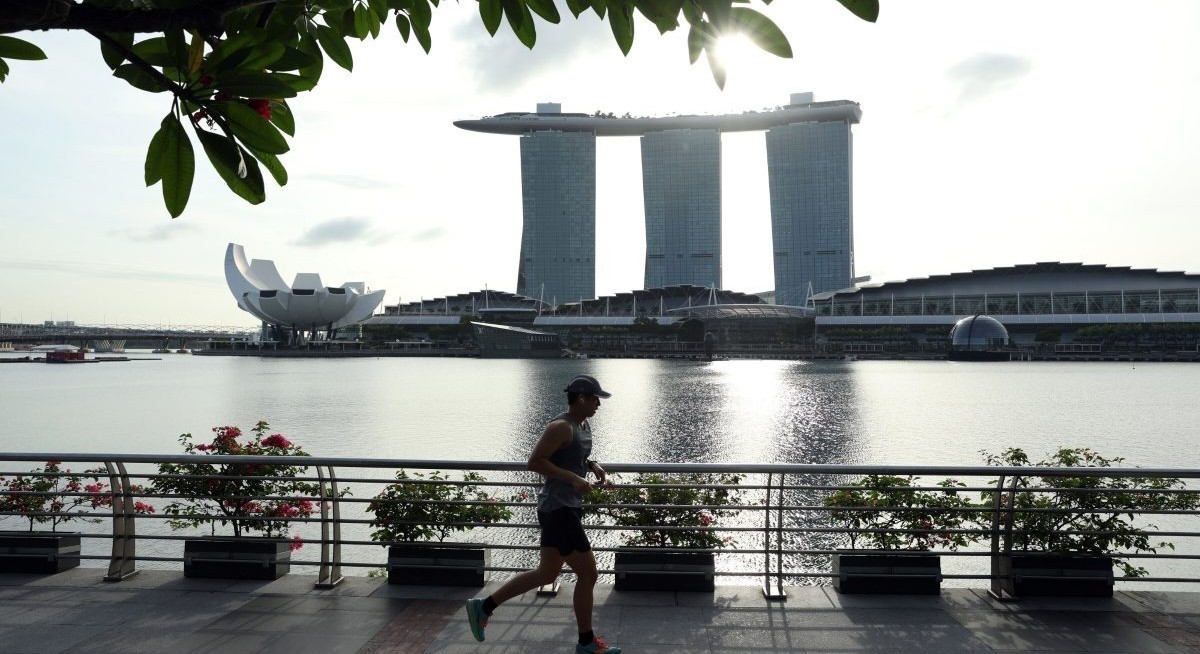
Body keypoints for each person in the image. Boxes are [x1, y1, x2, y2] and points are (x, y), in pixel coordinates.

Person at [465, 374, 622, 654]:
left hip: (563, 509)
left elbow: (572, 455)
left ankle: (484, 607)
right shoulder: (560, 426)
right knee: (589, 574)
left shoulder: (582, 425)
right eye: (596, 398)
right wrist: (574, 479)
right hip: (558, 510)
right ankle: (586, 643)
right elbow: (535, 462)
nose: (600, 403)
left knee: (546, 572)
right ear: (582, 399)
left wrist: (593, 464)